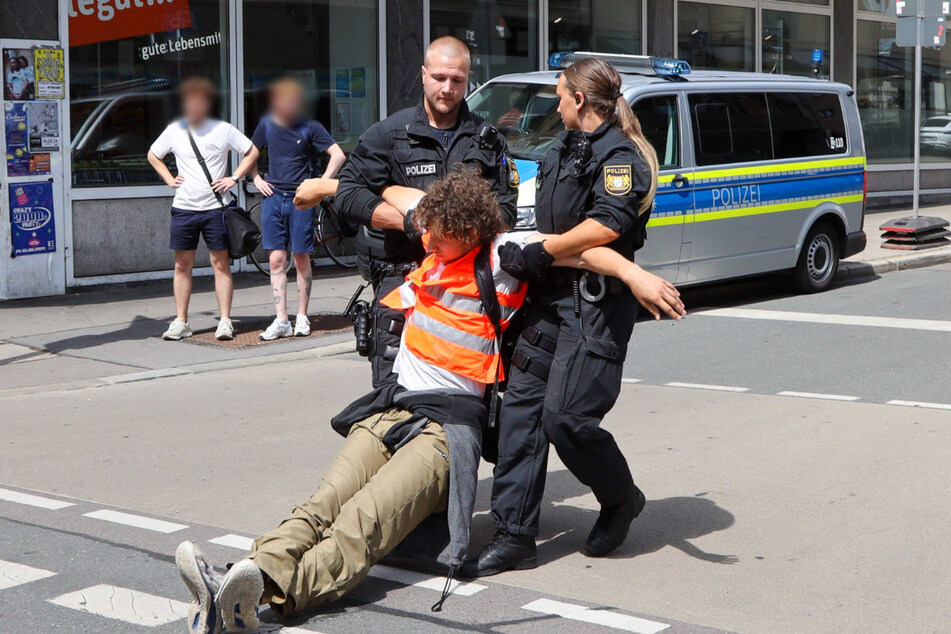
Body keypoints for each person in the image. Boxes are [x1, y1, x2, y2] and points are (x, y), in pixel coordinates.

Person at [174, 169, 681, 633]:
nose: (427, 239)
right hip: (394, 406)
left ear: (469, 230)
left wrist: (637, 278)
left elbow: (584, 251)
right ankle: (243, 579)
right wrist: (328, 188)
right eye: (428, 228)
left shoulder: (504, 253)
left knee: (363, 523)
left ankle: (255, 599)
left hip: (447, 428)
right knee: (323, 503)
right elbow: (392, 192)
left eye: (439, 233)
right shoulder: (435, 225)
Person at [465, 57, 677, 577]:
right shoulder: (562, 147)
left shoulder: (622, 158)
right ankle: (515, 535)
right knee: (520, 414)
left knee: (567, 419)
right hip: (548, 297)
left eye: (559, 94)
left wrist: (546, 249)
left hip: (595, 305)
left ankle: (620, 497)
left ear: (579, 100)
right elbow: (541, 218)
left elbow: (606, 226)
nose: (555, 103)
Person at [333, 35, 518, 388]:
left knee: (466, 395)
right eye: (439, 78)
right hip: (402, 276)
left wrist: (457, 234)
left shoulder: (486, 138)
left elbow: (505, 209)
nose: (447, 88)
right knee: (394, 394)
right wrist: (409, 221)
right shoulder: (388, 135)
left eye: (457, 80)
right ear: (423, 75)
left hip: (466, 286)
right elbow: (348, 194)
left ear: (468, 79)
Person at [147, 77, 259, 341]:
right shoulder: (175, 129)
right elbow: (153, 154)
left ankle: (225, 321)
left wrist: (234, 177)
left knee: (220, 264)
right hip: (184, 209)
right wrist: (168, 179)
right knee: (181, 265)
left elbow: (252, 151)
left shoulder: (224, 129)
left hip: (215, 210)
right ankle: (181, 321)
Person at [249, 77, 345, 340]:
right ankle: (282, 320)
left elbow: (338, 155)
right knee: (276, 259)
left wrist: (321, 184)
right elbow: (249, 154)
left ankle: (301, 316)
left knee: (301, 256)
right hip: (273, 197)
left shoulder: (310, 127)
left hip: (301, 199)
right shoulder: (267, 124)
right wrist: (256, 179)